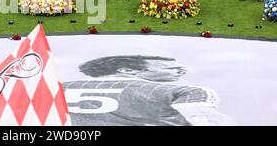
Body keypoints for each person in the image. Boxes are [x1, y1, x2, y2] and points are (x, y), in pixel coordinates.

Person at [64, 55, 234, 126]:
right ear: (127, 70)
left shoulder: (54, 86)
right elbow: (207, 121)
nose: (181, 71)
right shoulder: (184, 91)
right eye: (171, 67)